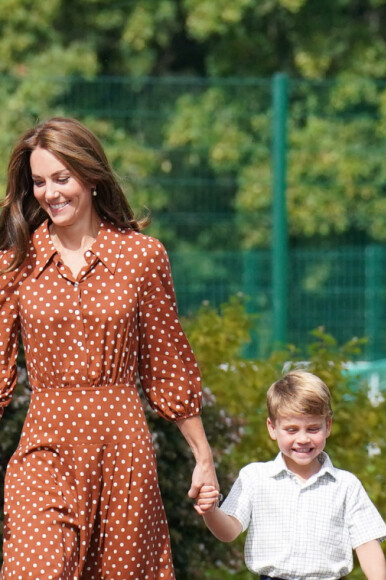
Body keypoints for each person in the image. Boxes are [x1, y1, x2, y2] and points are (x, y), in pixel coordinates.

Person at [0, 117, 218, 578]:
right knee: (35, 568)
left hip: (122, 449)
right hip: (45, 447)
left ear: (92, 176)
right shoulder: (15, 263)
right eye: (39, 182)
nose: (50, 193)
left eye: (62, 178)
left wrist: (203, 458)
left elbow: (167, 366)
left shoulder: (142, 257)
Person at [196, 369, 386, 580]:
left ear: (328, 426)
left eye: (313, 428)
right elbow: (229, 531)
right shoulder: (254, 477)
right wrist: (210, 511)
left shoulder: (346, 485)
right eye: (292, 429)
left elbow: (367, 543)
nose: (303, 439)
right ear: (272, 428)